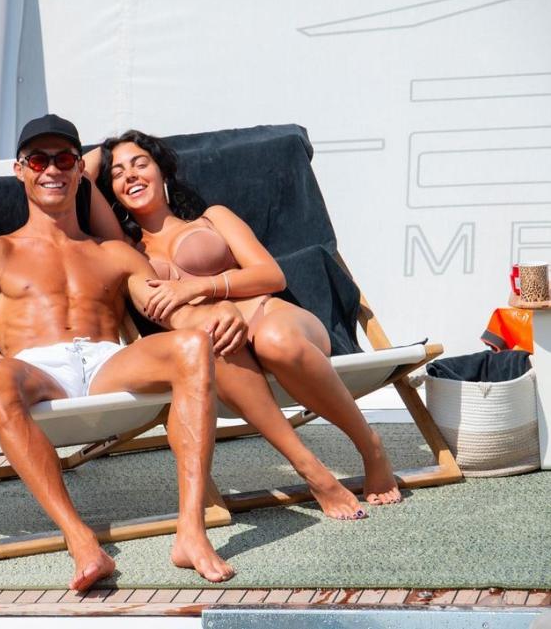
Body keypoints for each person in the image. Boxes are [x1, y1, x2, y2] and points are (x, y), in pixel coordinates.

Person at [0, 115, 242, 590]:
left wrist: (216, 311)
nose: (52, 169)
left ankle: (191, 531)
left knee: (192, 346)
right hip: (38, 370)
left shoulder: (114, 252)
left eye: (65, 159)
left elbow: (169, 312)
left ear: (78, 172)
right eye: (38, 160)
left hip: (109, 362)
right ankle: (80, 538)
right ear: (20, 170)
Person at [84, 130, 402, 518]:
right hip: (219, 345)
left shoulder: (212, 218)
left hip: (271, 315)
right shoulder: (124, 248)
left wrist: (199, 287)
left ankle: (371, 447)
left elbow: (271, 275)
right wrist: (105, 152)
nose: (130, 176)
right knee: (208, 344)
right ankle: (310, 469)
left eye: (140, 164)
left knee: (273, 340)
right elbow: (82, 174)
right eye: (118, 173)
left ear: (163, 171)